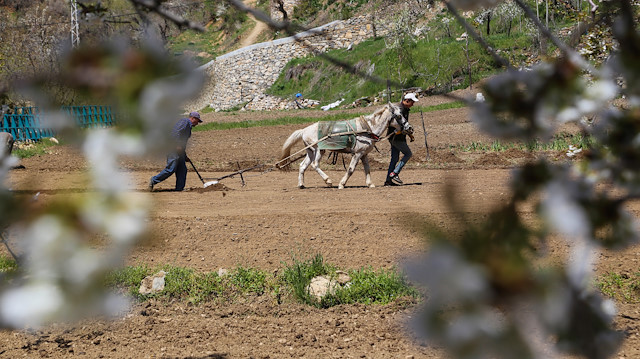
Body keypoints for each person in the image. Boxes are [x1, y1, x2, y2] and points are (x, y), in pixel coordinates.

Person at [149, 111, 203, 191]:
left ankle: (179, 188)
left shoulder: (188, 126)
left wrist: (184, 156)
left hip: (179, 151)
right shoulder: (185, 122)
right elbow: (175, 132)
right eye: (197, 121)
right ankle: (153, 180)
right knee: (171, 168)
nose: (197, 123)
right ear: (192, 118)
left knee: (182, 170)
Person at [384, 92, 417, 186]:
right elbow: (396, 125)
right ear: (407, 100)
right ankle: (395, 173)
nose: (413, 104)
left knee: (394, 158)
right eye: (412, 102)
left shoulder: (404, 109)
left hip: (396, 137)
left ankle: (388, 181)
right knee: (408, 154)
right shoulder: (400, 110)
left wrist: (409, 135)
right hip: (396, 137)